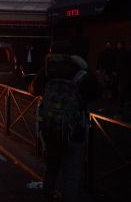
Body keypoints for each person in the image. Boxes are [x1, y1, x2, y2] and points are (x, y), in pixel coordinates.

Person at [29, 40, 100, 202]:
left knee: (51, 169)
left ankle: (48, 196)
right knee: (71, 174)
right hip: (75, 128)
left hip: (50, 128)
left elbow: (32, 89)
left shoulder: (48, 69)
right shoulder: (80, 70)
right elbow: (96, 92)